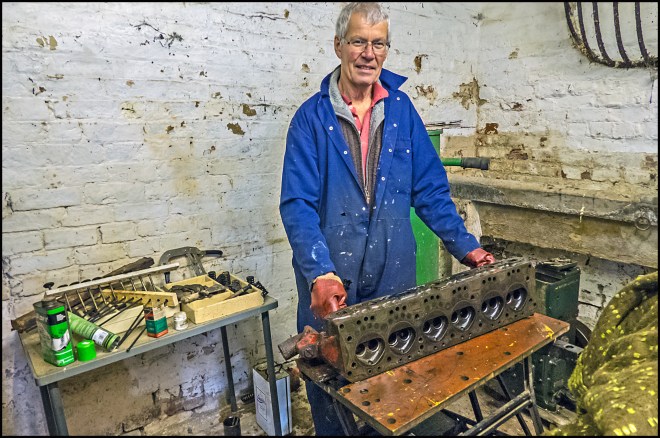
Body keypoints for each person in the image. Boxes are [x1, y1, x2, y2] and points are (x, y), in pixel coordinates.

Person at [279, 2, 495, 435]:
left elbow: (430, 191)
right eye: (358, 41)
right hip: (331, 282)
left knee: (394, 383)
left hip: (393, 275)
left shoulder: (401, 111)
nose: (368, 53)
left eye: (378, 44)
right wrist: (319, 272)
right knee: (331, 385)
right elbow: (297, 204)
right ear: (338, 45)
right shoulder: (310, 119)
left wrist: (467, 247)